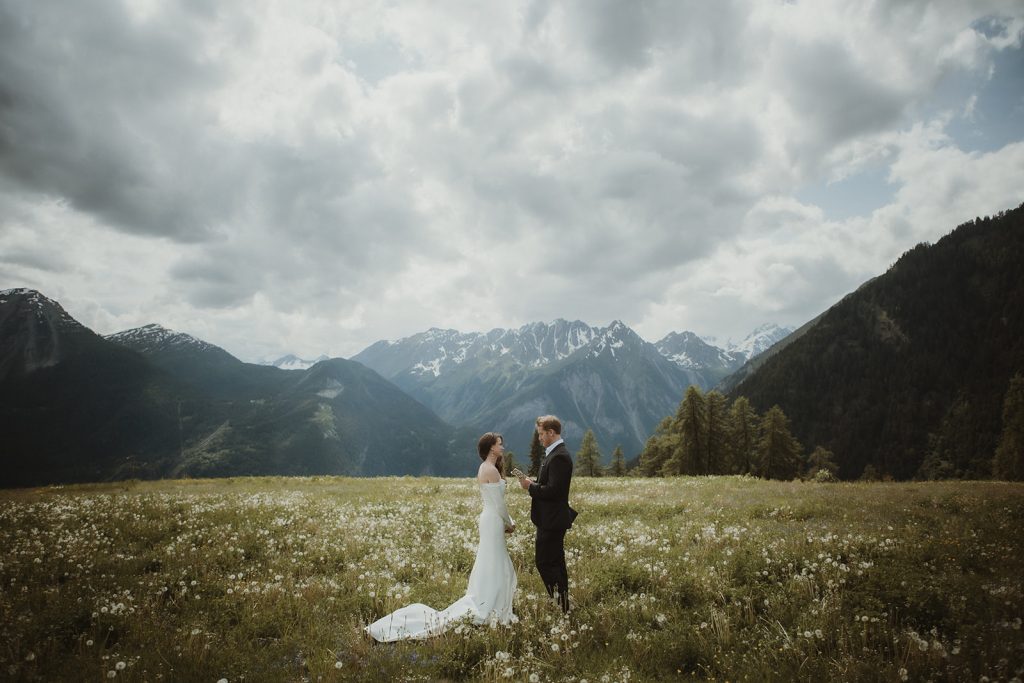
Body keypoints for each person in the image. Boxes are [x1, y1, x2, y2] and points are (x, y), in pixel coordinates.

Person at [365, 432, 518, 641]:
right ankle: (491, 604)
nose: (502, 447)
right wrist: (510, 523)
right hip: (493, 520)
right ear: (492, 447)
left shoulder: (485, 468)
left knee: (491, 561)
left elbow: (495, 502)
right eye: (500, 444)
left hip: (490, 519)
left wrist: (506, 521)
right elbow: (499, 504)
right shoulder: (491, 470)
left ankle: (489, 598)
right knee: (496, 561)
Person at [517, 415, 577, 613]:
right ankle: (563, 604)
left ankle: (561, 603)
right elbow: (550, 484)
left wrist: (530, 487)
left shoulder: (559, 456)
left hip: (551, 520)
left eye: (542, 434)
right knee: (555, 562)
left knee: (544, 562)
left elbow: (554, 491)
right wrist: (533, 482)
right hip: (550, 519)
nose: (539, 438)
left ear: (551, 433)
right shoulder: (554, 453)